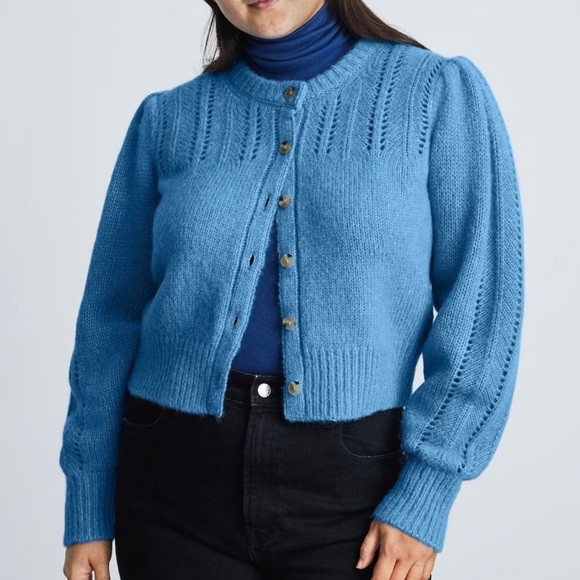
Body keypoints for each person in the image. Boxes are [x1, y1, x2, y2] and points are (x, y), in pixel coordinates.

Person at [59, 0, 525, 579]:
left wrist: (427, 490)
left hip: (354, 494)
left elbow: (483, 305)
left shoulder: (435, 94)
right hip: (170, 486)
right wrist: (88, 497)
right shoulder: (167, 120)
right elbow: (109, 318)